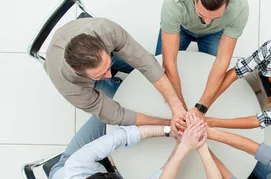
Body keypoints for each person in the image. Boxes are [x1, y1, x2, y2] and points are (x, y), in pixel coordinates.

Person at [45, 16, 185, 129]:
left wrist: (176, 107)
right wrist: (165, 122)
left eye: (108, 66)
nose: (110, 75)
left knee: (146, 66)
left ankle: (104, 66)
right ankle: (104, 75)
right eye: (101, 75)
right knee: (117, 97)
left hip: (78, 32)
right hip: (63, 66)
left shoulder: (106, 30)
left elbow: (147, 64)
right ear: (77, 71)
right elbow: (116, 115)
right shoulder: (70, 85)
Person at [157, 0, 249, 121]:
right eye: (201, 14)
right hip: (181, 28)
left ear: (227, 5)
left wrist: (201, 107)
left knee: (210, 74)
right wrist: (180, 108)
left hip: (214, 33)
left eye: (214, 17)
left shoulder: (240, 8)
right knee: (159, 72)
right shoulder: (174, 2)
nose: (206, 22)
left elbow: (222, 61)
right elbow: (169, 62)